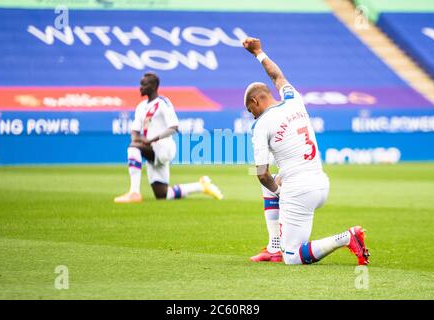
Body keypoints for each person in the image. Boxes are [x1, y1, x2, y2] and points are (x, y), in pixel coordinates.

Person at [243, 37, 369, 265]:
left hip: (299, 192)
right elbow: (277, 77)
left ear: (255, 101)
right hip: (321, 182)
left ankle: (346, 237)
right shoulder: (294, 100)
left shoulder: (260, 125)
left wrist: (283, 195)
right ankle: (273, 247)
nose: (252, 115)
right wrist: (259, 52)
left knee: (291, 257)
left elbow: (261, 173)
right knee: (274, 181)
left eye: (251, 110)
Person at [114, 72, 223, 203]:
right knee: (162, 195)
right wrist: (137, 139)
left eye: (144, 84)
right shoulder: (141, 107)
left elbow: (174, 127)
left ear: (154, 86)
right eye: (140, 84)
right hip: (151, 150)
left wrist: (149, 140)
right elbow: (135, 130)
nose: (140, 87)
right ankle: (201, 186)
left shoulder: (162, 103)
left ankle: (134, 192)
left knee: (133, 149)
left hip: (163, 149)